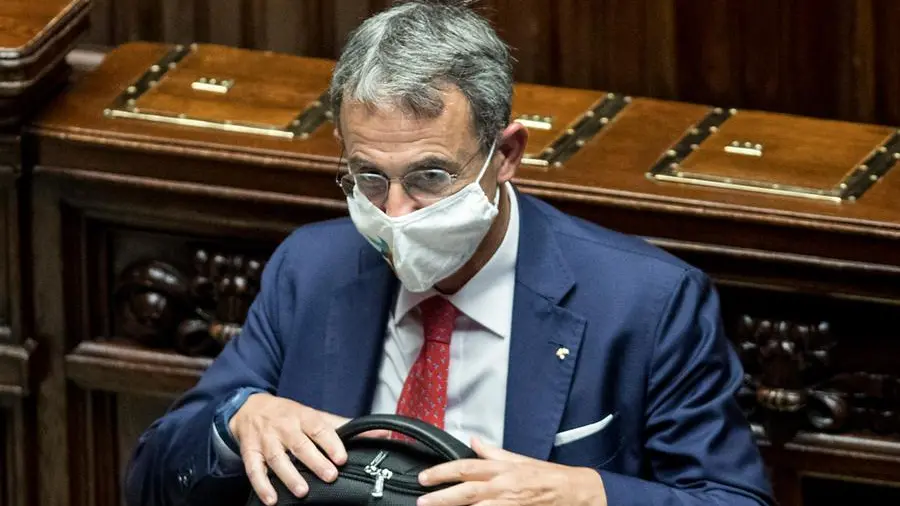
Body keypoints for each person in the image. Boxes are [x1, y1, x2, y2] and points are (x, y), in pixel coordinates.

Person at [125, 1, 774, 505]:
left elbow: (732, 498)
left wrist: (587, 493)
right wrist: (236, 420)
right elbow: (151, 480)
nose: (396, 214)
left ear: (506, 155)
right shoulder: (312, 268)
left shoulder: (646, 302)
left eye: (430, 177)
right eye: (370, 178)